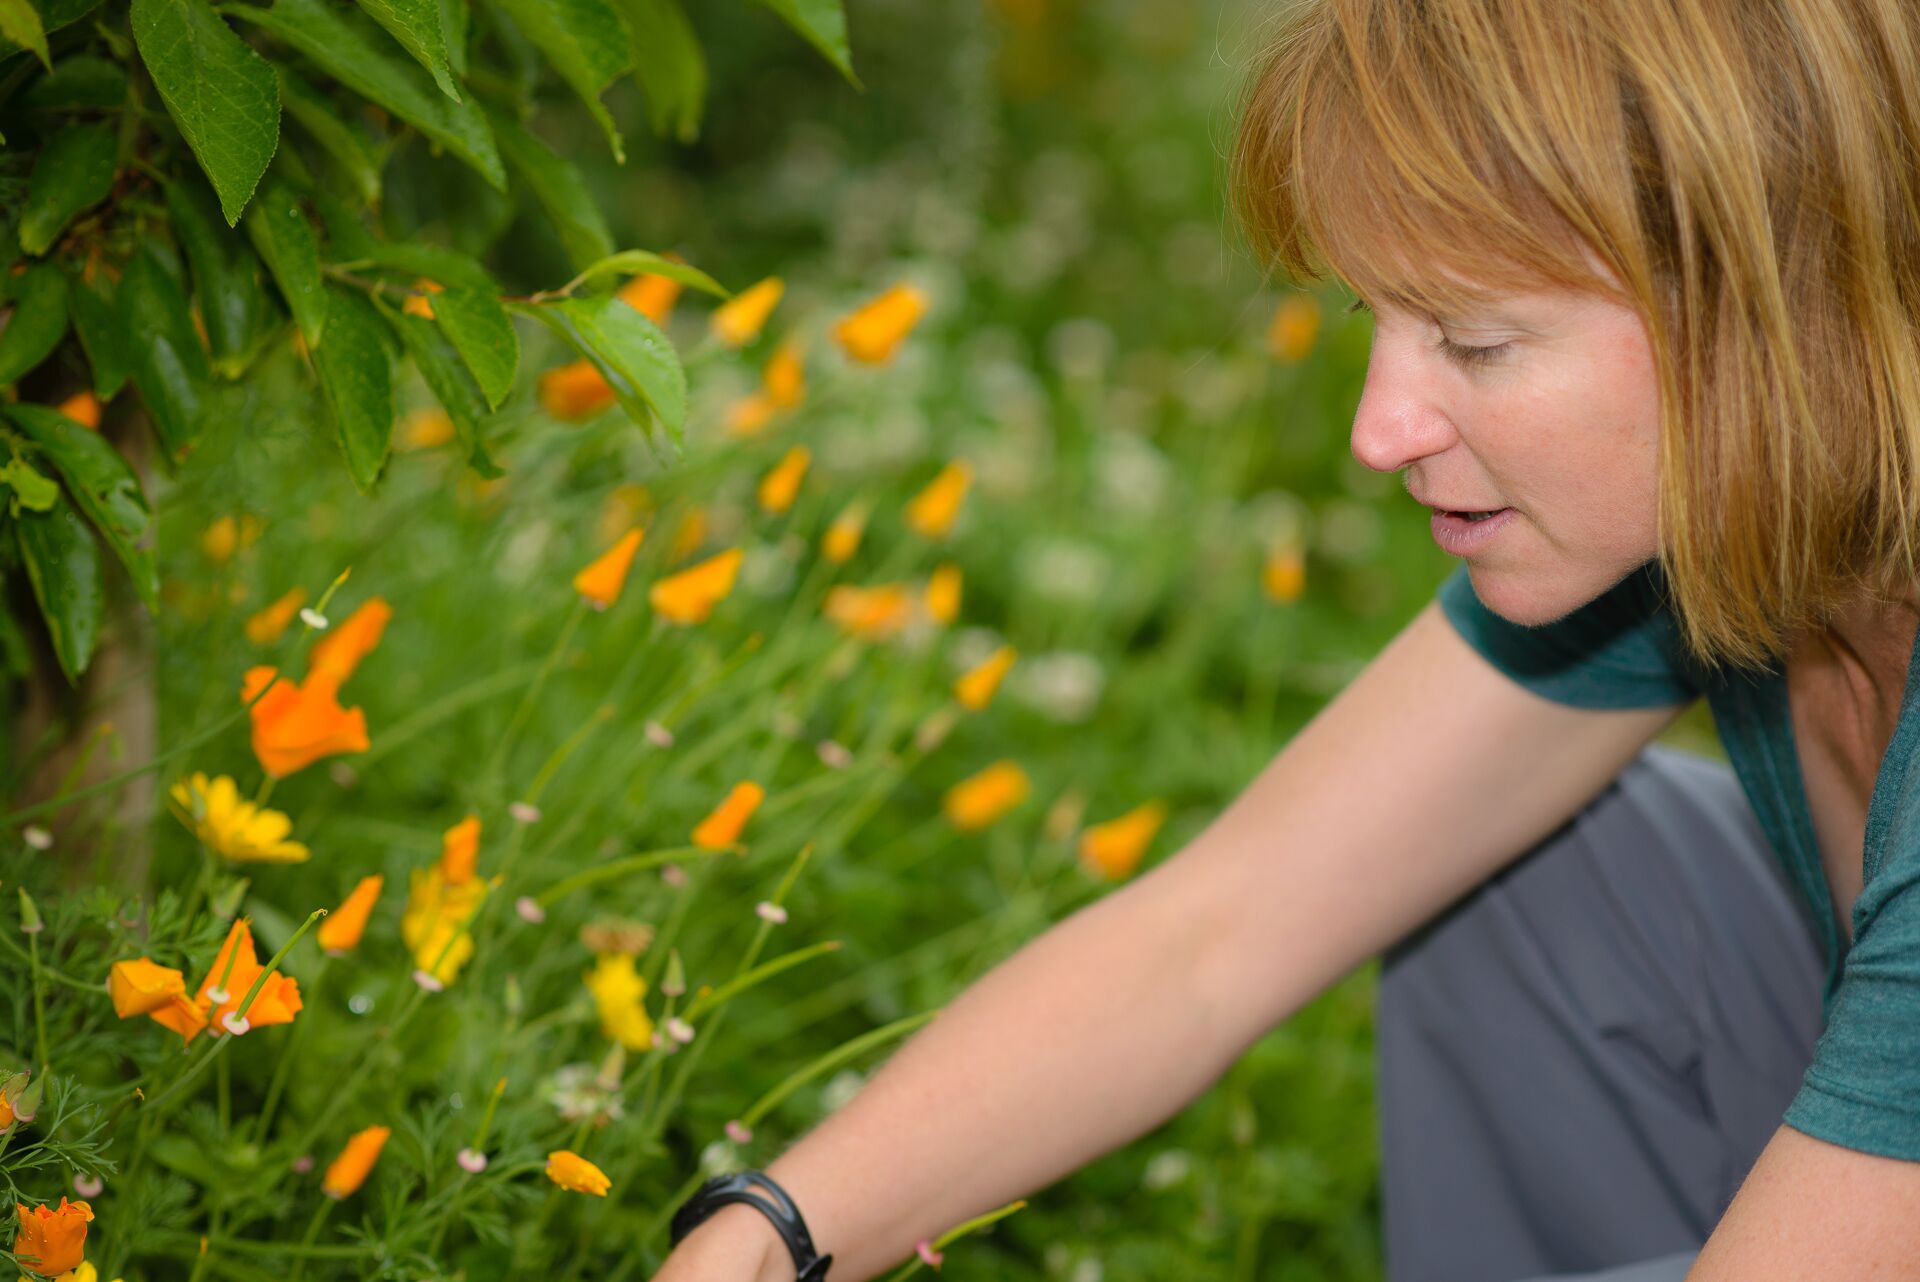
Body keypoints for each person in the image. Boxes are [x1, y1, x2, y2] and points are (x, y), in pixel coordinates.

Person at [655, 0, 1920, 1278]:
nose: (1379, 432)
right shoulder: (1718, 510)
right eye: (1380, 318)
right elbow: (1214, 937)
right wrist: (773, 1233)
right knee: (1547, 865)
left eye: (1477, 340)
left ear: (1787, 303)